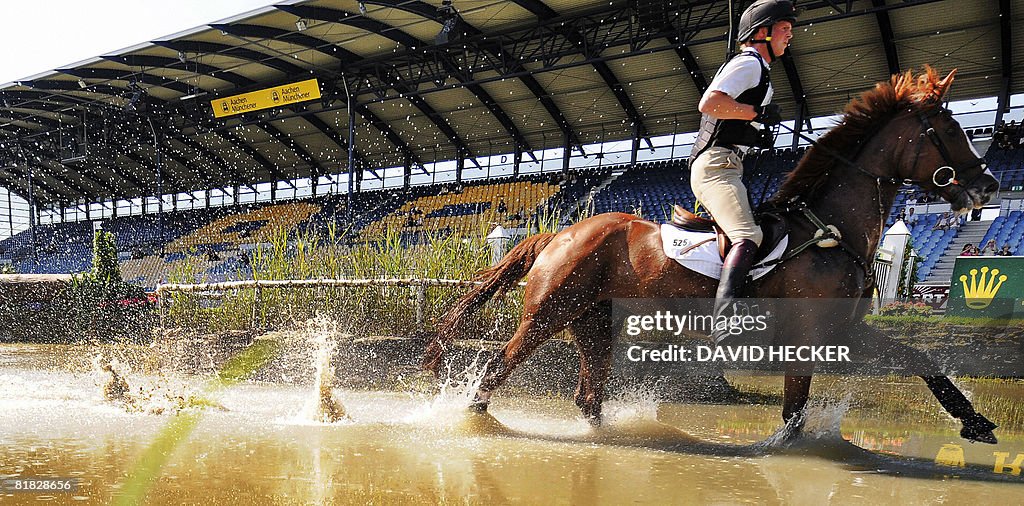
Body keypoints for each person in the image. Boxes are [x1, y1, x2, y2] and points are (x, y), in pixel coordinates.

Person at [688, 0, 796, 343]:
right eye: (785, 29)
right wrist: (754, 114)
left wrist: (755, 133)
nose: (790, 36)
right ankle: (723, 321)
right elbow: (710, 103)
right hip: (716, 166)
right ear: (762, 33)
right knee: (748, 235)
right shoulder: (749, 64)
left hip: (730, 163)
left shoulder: (760, 71)